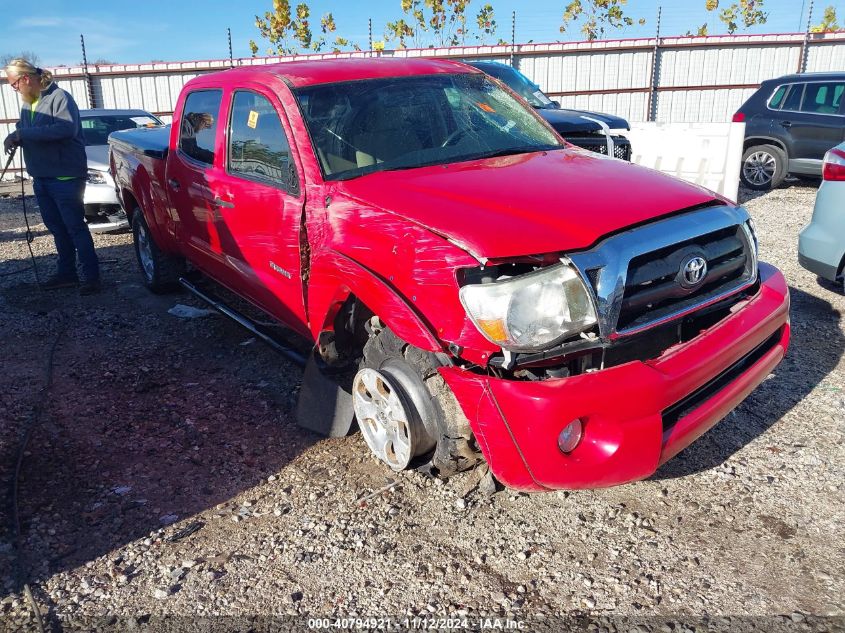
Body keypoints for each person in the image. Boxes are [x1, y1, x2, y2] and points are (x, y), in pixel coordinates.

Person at [3, 58, 101, 295]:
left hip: (64, 177)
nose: (14, 89)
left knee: (75, 227)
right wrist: (15, 135)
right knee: (56, 227)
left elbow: (67, 129)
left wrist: (23, 133)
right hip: (41, 176)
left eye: (14, 84)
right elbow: (26, 129)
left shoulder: (60, 98)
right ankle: (67, 274)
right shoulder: (29, 104)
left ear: (26, 79)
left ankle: (92, 278)